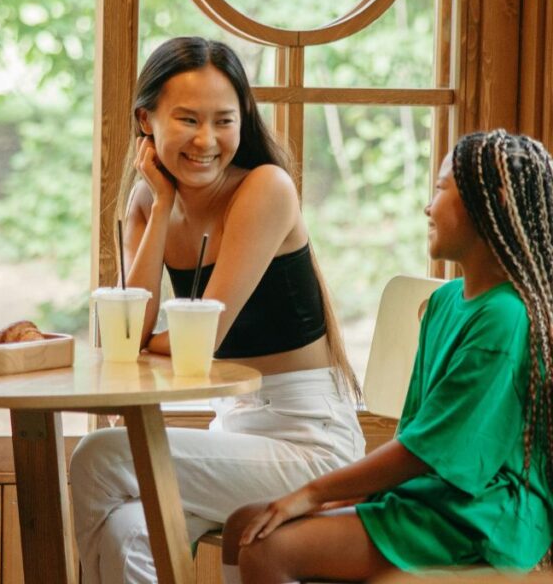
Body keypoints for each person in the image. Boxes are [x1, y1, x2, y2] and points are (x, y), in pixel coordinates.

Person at [70, 36, 364, 583]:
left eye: (223, 120)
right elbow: (126, 336)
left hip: (310, 443)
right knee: (125, 530)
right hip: (236, 433)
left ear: (243, 120)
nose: (207, 140)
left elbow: (196, 342)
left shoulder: (264, 188)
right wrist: (160, 206)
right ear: (146, 120)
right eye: (187, 119)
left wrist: (149, 340)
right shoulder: (145, 202)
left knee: (99, 456)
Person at [223, 129, 553, 583]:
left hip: (481, 516)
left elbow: (427, 451)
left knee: (268, 550)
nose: (427, 207)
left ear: (487, 202)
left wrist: (314, 494)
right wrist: (340, 497)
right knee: (244, 523)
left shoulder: (503, 318)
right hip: (434, 497)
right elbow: (416, 432)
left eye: (440, 190)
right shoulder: (445, 304)